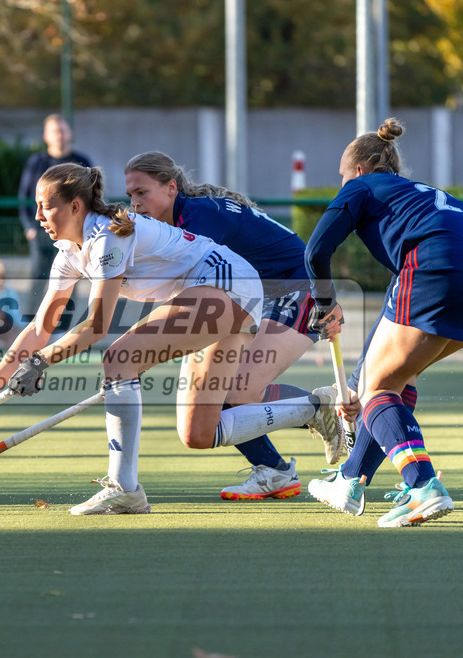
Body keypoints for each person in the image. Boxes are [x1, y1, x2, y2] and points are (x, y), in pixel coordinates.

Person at [0, 163, 264, 515]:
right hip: (216, 290)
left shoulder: (108, 236)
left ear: (75, 207)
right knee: (199, 432)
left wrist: (41, 361)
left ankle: (124, 489)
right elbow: (38, 329)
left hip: (229, 284)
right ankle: (312, 409)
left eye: (45, 206)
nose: (37, 216)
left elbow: (96, 326)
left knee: (120, 359)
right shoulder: (68, 253)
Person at [304, 118, 463, 528]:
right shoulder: (421, 197)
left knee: (379, 388)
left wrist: (324, 303)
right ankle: (350, 480)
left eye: (342, 176)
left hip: (438, 268)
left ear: (362, 170)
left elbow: (315, 252)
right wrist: (360, 384)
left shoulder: (361, 187)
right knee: (394, 378)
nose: (342, 185)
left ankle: (423, 487)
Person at [123, 151, 341, 500]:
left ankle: (325, 409)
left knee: (237, 391)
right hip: (250, 302)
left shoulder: (198, 218)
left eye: (142, 193)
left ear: (170, 188)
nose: (135, 203)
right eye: (130, 195)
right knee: (211, 408)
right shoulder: (175, 224)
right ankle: (276, 470)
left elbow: (192, 295)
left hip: (296, 288)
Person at [18, 114, 94, 311]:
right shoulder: (36, 163)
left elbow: (92, 196)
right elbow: (24, 197)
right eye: (54, 131)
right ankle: (31, 324)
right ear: (46, 136)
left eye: (62, 130)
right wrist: (29, 228)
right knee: (39, 277)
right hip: (42, 233)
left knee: (70, 280)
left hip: (72, 235)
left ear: (70, 134)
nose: (59, 135)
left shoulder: (81, 161)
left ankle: (63, 329)